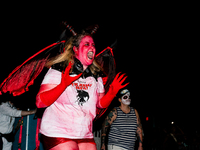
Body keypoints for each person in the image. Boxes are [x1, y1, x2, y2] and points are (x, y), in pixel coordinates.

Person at [36, 29, 128, 150]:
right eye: (87, 44)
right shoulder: (60, 69)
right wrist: (63, 84)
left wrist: (111, 92)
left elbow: (100, 104)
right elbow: (40, 102)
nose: (92, 47)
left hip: (84, 133)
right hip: (57, 131)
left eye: (93, 45)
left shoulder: (96, 75)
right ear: (75, 49)